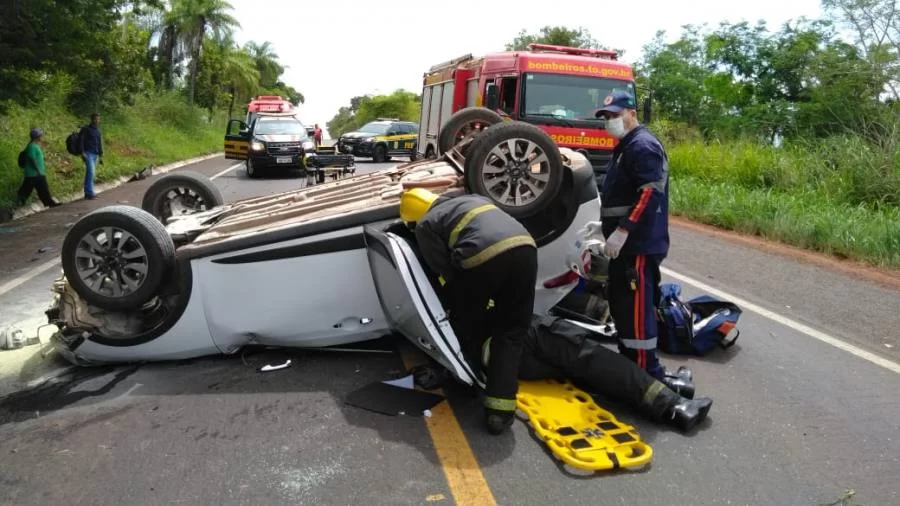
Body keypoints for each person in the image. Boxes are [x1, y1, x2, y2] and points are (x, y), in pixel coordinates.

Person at [400, 187, 537, 436]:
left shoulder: (425, 225)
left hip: (480, 256)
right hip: (526, 247)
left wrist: (459, 299)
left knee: (466, 324)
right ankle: (500, 412)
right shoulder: (473, 198)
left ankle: (465, 382)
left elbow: (444, 269)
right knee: (512, 331)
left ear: (413, 218)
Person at [591, 90, 671, 382]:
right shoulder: (626, 145)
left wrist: (623, 230)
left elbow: (650, 192)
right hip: (626, 246)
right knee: (624, 306)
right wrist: (604, 227)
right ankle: (630, 365)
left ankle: (646, 372)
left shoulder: (642, 146)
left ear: (632, 114)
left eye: (616, 115)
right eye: (607, 117)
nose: (611, 121)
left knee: (636, 311)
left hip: (637, 244)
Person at [17, 128, 59, 208]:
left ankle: (50, 203)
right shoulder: (32, 146)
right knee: (25, 190)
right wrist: (38, 170)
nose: (42, 137)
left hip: (38, 174)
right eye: (41, 135)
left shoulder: (35, 146)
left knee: (43, 190)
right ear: (37, 137)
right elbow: (32, 159)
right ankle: (17, 204)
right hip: (33, 174)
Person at [79, 112, 104, 200]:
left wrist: (101, 155)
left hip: (95, 154)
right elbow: (81, 140)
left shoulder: (98, 131)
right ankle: (90, 193)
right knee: (91, 172)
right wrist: (82, 152)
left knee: (90, 174)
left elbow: (99, 143)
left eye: (98, 119)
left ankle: (88, 192)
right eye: (95, 119)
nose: (97, 120)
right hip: (88, 153)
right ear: (92, 119)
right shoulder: (86, 129)